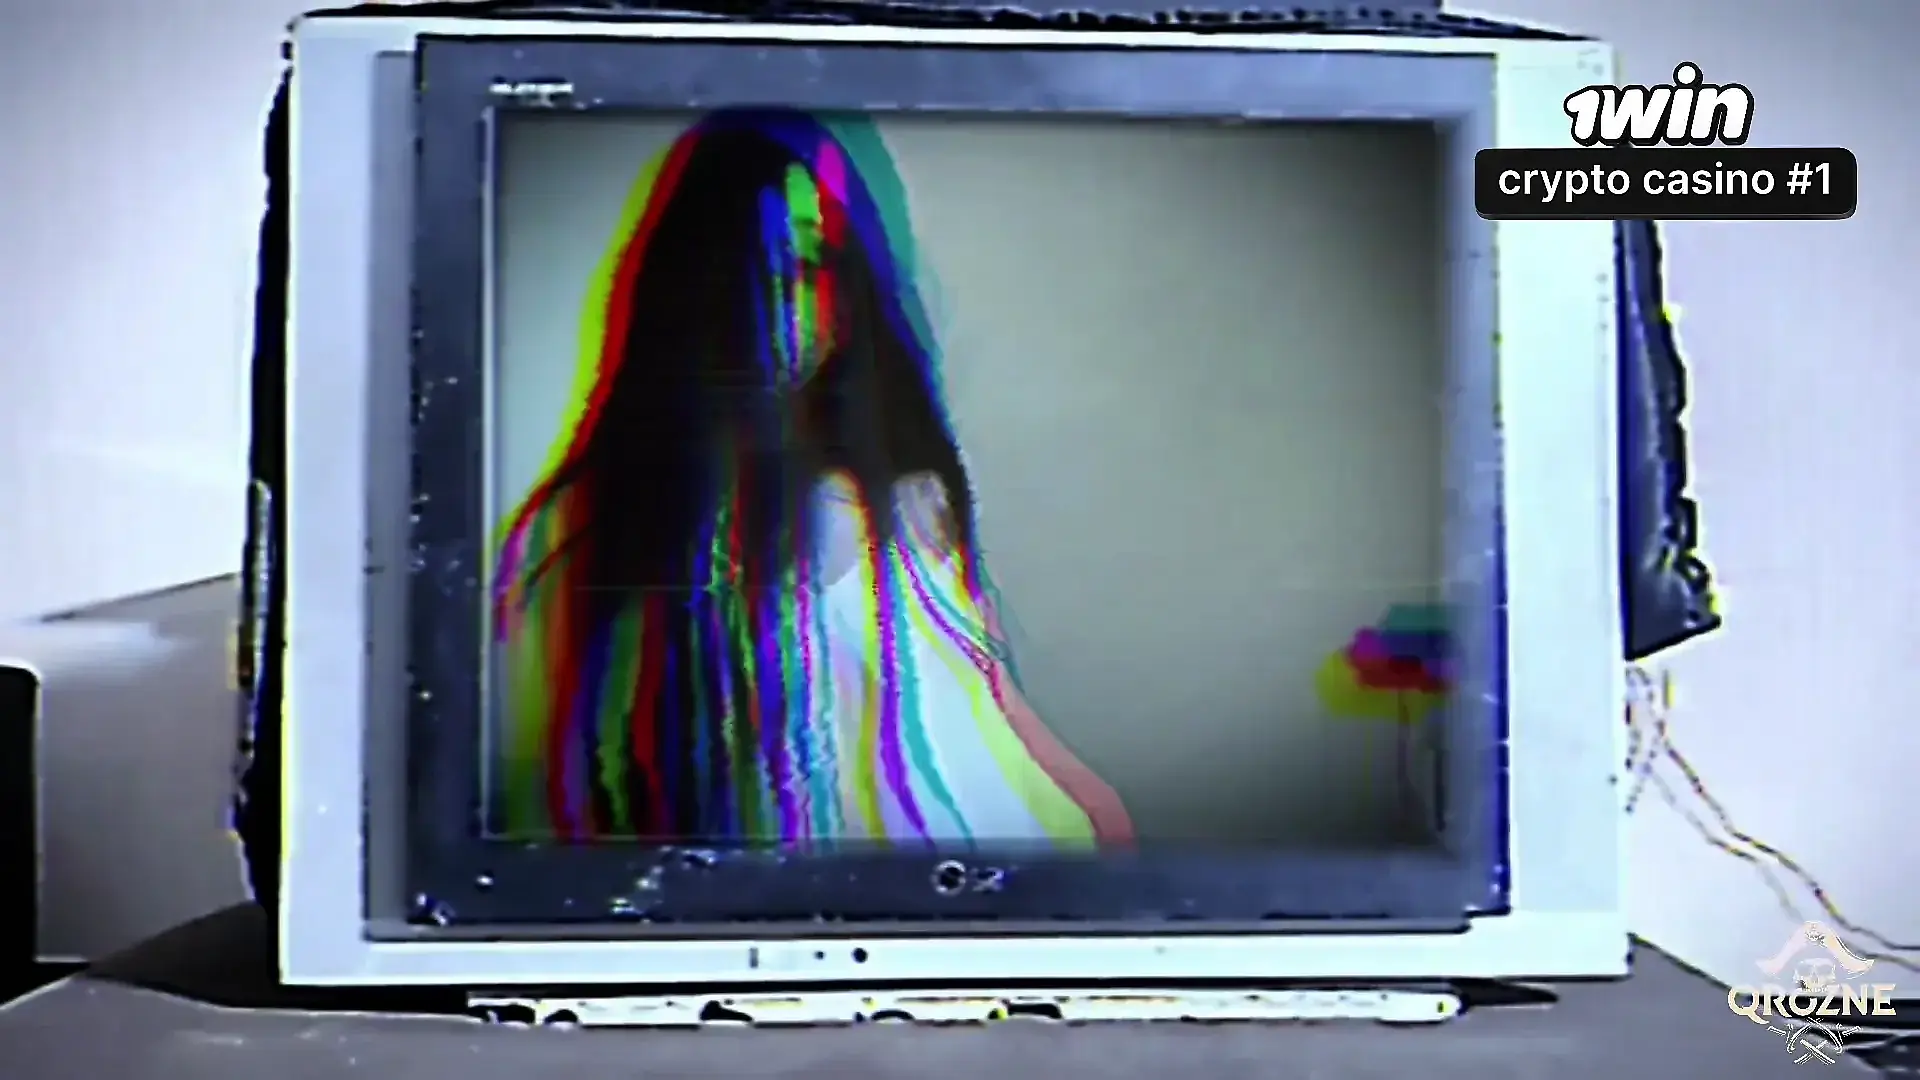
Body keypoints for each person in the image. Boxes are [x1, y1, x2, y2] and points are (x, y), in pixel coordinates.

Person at [491, 108, 1133, 850]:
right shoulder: (597, 533)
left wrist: (1097, 809)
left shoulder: (909, 498)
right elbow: (560, 794)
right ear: (686, 283)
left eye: (805, 267)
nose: (776, 306)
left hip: (1021, 872)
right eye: (743, 272)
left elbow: (988, 695)